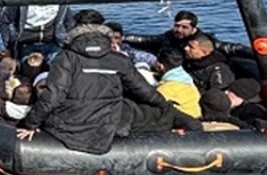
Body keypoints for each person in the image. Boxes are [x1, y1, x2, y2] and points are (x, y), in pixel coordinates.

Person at [16, 9, 183, 155]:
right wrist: (164, 106)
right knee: (147, 111)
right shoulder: (118, 60)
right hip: (107, 129)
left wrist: (30, 124)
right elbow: (145, 92)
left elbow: (53, 96)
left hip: (68, 128)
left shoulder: (66, 58)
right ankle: (196, 133)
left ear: (75, 29)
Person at [0, 0, 74, 60]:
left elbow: (69, 22)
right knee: (29, 65)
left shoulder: (60, 4)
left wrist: (67, 40)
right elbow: (4, 21)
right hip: (27, 44)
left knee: (57, 64)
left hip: (53, 43)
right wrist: (8, 45)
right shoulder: (21, 3)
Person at [124, 10, 252, 59]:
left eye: (184, 27)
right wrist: (122, 37)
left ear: (193, 28)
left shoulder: (203, 41)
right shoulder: (170, 36)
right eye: (176, 26)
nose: (179, 30)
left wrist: (255, 53)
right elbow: (148, 40)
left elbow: (230, 47)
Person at [153, 49, 201, 118]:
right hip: (195, 114)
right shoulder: (188, 81)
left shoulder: (166, 88)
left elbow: (153, 102)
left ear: (161, 66)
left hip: (183, 119)